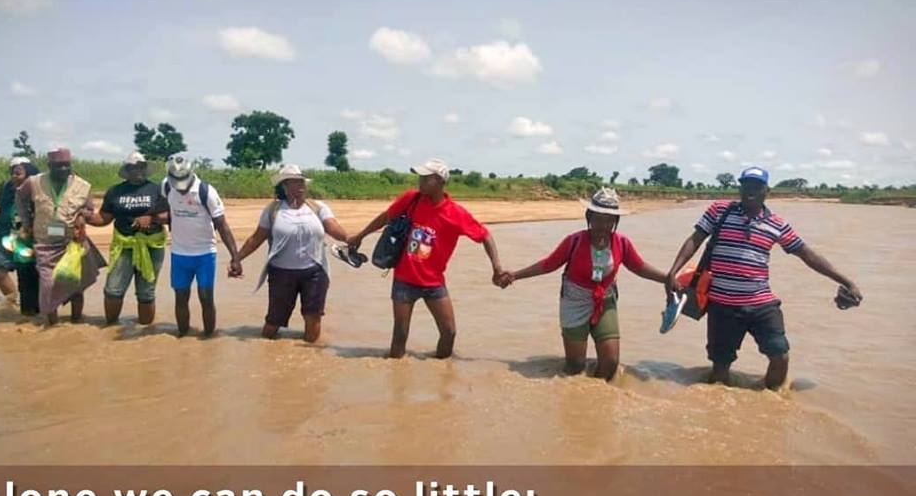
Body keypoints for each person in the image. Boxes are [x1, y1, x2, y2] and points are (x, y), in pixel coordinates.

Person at [666, 166, 863, 390]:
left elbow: (807, 255)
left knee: (780, 356)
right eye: (746, 185)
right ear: (740, 187)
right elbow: (695, 239)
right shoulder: (720, 211)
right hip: (722, 306)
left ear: (766, 191)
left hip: (761, 305)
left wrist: (845, 281)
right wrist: (673, 271)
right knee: (720, 368)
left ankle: (773, 403)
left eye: (756, 186)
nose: (750, 190)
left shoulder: (777, 224)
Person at [498, 188, 669, 378]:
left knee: (610, 363)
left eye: (609, 219)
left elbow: (639, 267)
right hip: (574, 301)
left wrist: (668, 279)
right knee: (575, 366)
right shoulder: (574, 241)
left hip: (605, 301)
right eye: (599, 218)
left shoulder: (622, 243)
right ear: (589, 216)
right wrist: (514, 275)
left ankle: (597, 398)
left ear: (616, 221)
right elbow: (548, 265)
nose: (603, 224)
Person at [348, 158, 503, 358]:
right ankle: (397, 373)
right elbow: (386, 217)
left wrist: (496, 267)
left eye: (425, 178)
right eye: (420, 177)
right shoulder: (412, 199)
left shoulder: (456, 214)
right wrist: (360, 236)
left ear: (439, 181)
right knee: (400, 334)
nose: (420, 181)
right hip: (404, 279)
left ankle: (443, 370)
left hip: (434, 283)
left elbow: (485, 237)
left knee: (449, 332)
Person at [233, 164, 349, 342]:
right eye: (295, 182)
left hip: (315, 273)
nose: (301, 186)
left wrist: (350, 238)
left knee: (313, 320)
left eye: (302, 182)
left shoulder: (317, 208)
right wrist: (237, 259)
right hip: (281, 273)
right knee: (272, 325)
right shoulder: (273, 210)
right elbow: (256, 238)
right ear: (284, 187)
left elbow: (332, 227)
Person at [17, 148, 105, 325]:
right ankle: (52, 323)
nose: (63, 169)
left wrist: (82, 215)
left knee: (76, 285)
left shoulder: (83, 185)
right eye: (58, 166)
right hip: (45, 242)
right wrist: (26, 222)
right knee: (48, 285)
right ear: (49, 166)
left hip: (72, 242)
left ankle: (76, 321)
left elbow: (89, 209)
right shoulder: (34, 182)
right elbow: (20, 198)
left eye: (66, 165)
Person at [162, 153, 241, 337]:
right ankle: (182, 335)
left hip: (205, 254)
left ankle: (209, 338)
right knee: (180, 297)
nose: (180, 187)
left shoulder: (206, 192)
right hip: (179, 254)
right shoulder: (166, 187)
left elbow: (222, 225)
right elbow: (163, 208)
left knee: (206, 298)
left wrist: (235, 257)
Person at [88, 152, 167, 325]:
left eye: (141, 166)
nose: (137, 170)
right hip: (123, 245)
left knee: (146, 293)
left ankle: (146, 333)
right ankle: (109, 328)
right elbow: (104, 218)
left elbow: (169, 216)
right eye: (133, 167)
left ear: (145, 169)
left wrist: (152, 219)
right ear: (127, 170)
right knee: (113, 290)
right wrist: (85, 217)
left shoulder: (157, 190)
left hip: (151, 246)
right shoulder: (115, 191)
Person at [0, 157, 40, 314]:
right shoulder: (7, 187)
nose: (13, 176)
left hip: (29, 240)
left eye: (18, 172)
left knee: (30, 276)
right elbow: (2, 203)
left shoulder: (37, 192)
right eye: (12, 171)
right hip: (7, 236)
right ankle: (13, 303)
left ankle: (35, 311)